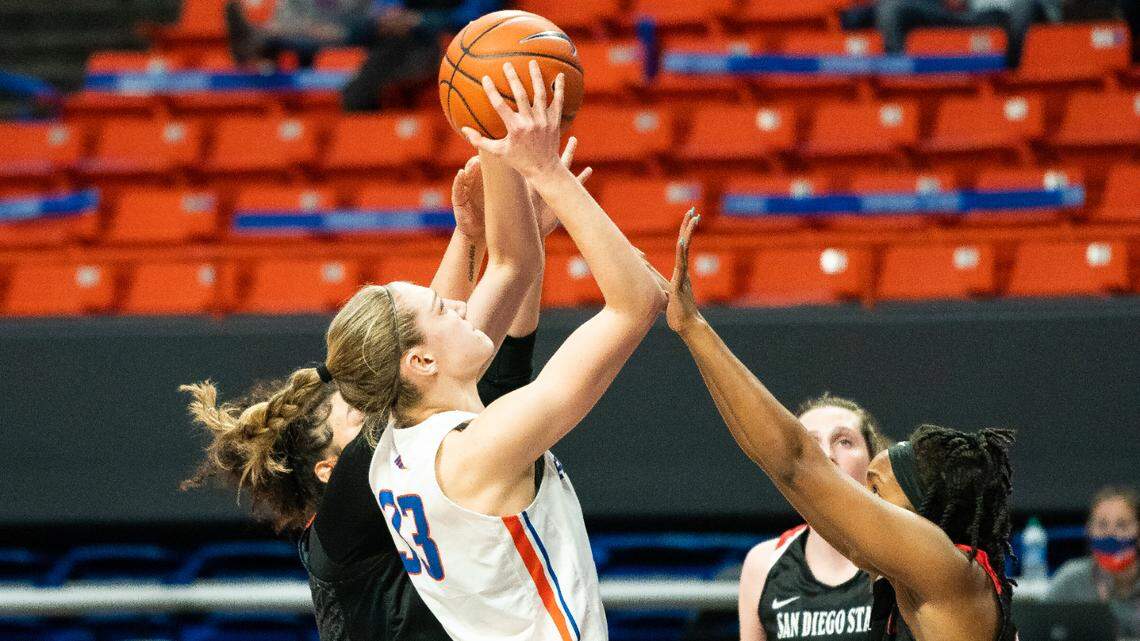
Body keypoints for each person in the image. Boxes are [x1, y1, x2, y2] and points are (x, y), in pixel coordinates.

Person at [182, 128, 589, 641]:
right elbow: (422, 350)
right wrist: (502, 203)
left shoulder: (435, 453)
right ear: (329, 469)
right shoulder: (345, 518)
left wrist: (491, 237)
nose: (379, 410)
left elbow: (475, 355)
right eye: (359, 412)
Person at [660, 223, 1018, 641]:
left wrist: (696, 328)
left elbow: (794, 463)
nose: (861, 496)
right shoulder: (907, 569)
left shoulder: (944, 567)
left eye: (876, 489)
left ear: (923, 507)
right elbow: (777, 466)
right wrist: (691, 336)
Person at [739, 394, 887, 641]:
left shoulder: (902, 559)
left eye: (844, 442)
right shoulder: (763, 563)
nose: (827, 454)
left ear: (873, 464)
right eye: (810, 443)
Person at [225, 0, 502, 110]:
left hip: (440, 44)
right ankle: (270, 39)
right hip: (388, 37)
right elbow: (387, 5)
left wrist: (418, 20)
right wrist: (389, 14)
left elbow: (475, 17)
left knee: (367, 32)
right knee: (366, 27)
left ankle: (269, 40)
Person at [1046, 486, 1140, 637]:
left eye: (1122, 525)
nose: (1111, 534)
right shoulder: (1071, 579)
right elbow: (1041, 631)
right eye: (1102, 525)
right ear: (1089, 531)